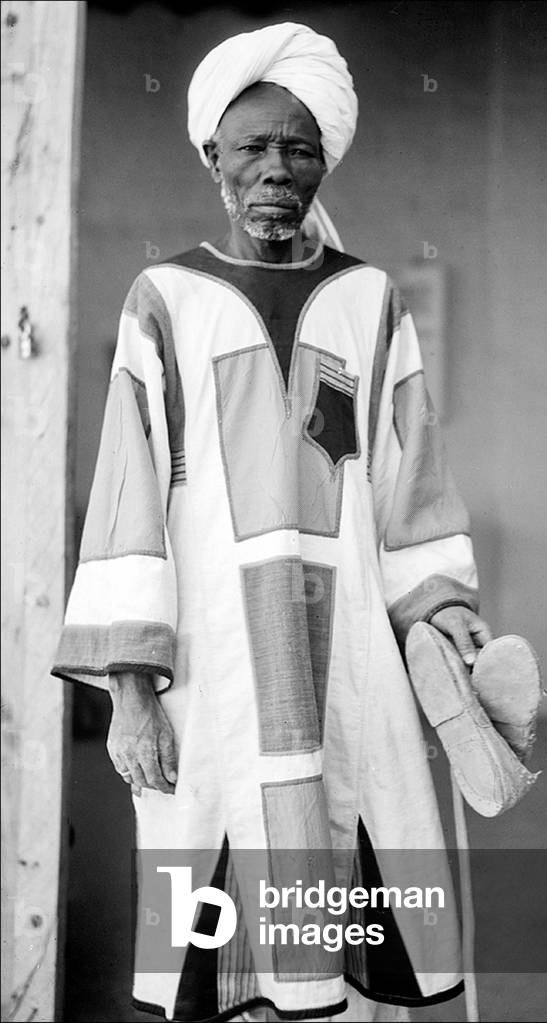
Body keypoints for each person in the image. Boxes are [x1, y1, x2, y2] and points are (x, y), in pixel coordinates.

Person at [52, 21, 493, 1023]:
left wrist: (440, 604)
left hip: (349, 669)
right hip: (213, 667)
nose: (277, 170)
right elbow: (126, 502)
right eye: (253, 147)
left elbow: (408, 483)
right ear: (213, 157)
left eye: (300, 148)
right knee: (212, 903)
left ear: (323, 157)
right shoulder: (161, 299)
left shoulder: (370, 301)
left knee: (358, 878)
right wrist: (129, 685)